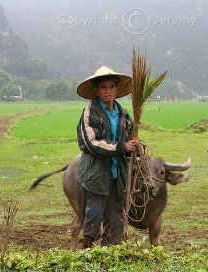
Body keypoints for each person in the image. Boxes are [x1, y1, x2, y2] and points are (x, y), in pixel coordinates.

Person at [76, 66, 138, 248]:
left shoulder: (124, 114)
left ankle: (111, 253)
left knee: (116, 217)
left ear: (117, 89)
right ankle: (88, 251)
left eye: (112, 86)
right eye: (103, 87)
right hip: (96, 174)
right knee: (93, 213)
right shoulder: (90, 112)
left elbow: (129, 139)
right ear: (96, 90)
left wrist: (136, 147)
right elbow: (91, 142)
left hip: (117, 174)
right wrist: (122, 147)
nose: (108, 91)